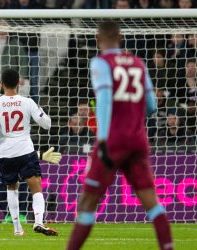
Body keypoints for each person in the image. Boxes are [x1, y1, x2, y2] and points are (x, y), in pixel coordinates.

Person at [66, 21, 173, 250]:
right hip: (138, 138)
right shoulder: (138, 63)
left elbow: (104, 98)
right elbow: (152, 106)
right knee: (151, 202)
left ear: (97, 39)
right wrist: (132, 114)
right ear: (121, 38)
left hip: (113, 139)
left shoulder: (100, 62)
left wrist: (103, 138)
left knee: (87, 202)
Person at [0, 68, 58, 236]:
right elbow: (47, 124)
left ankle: (17, 229)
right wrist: (40, 111)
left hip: (6, 154)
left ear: (2, 84)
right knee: (36, 186)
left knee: (11, 188)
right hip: (25, 151)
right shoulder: (28, 102)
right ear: (18, 84)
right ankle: (38, 222)